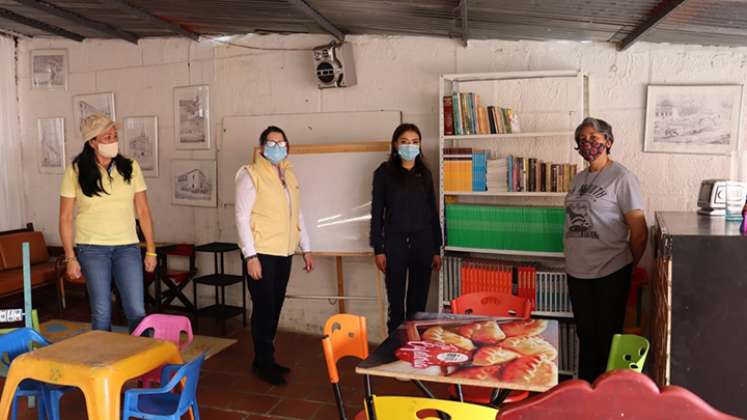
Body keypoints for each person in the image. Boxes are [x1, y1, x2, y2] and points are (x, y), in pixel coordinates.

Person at [564, 117, 648, 382]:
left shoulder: (622, 178)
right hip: (578, 271)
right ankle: (587, 389)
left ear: (608, 141)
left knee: (608, 337)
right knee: (586, 335)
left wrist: (633, 266)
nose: (588, 143)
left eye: (594, 137)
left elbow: (638, 228)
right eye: (582, 139)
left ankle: (607, 392)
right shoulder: (578, 179)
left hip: (610, 270)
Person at [59, 113, 156, 332]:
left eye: (114, 136)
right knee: (101, 310)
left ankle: (144, 361)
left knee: (136, 309)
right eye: (106, 138)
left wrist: (151, 250)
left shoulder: (130, 167)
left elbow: (143, 211)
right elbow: (65, 217)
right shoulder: (75, 172)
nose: (113, 142)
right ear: (92, 142)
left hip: (128, 247)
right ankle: (102, 363)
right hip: (92, 249)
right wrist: (70, 258)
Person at [235, 126, 314, 386]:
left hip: (284, 251)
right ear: (261, 149)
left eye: (282, 143)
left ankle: (265, 357)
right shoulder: (250, 174)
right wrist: (250, 256)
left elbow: (297, 213)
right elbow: (242, 217)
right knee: (264, 308)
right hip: (262, 253)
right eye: (272, 143)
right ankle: (263, 362)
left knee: (275, 306)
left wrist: (307, 247)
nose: (277, 148)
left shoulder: (289, 174)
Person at [370, 123, 443, 335]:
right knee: (396, 305)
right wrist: (378, 248)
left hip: (423, 243)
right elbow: (377, 214)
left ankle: (413, 350)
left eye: (414, 142)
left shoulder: (425, 174)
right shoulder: (384, 173)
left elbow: (432, 212)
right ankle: (393, 350)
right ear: (395, 144)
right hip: (394, 244)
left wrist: (436, 248)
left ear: (420, 146)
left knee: (417, 306)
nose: (410, 146)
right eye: (404, 142)